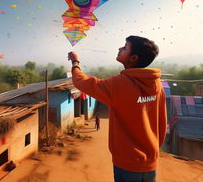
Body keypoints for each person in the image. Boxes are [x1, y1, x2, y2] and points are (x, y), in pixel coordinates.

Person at [68, 35, 167, 182]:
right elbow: (161, 121)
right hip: (151, 161)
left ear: (133, 58)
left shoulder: (119, 84)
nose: (120, 49)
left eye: (125, 47)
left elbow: (83, 82)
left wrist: (75, 62)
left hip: (127, 164)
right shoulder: (157, 85)